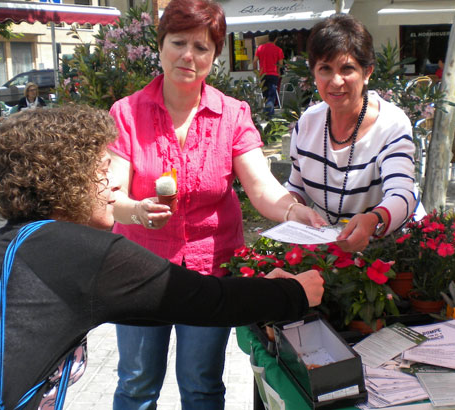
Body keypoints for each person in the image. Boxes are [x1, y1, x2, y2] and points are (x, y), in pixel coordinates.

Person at [0, 105, 324, 409]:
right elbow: (206, 301)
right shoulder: (77, 252)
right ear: (65, 180)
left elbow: (167, 304)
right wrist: (294, 292)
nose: (113, 186)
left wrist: (261, 289)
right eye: (101, 171)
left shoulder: (23, 242)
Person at [106, 0, 325, 408]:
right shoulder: (127, 114)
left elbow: (261, 188)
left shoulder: (232, 114)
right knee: (137, 383)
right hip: (140, 266)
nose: (188, 55)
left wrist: (296, 211)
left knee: (202, 381)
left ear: (215, 57)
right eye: (178, 42)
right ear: (160, 45)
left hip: (210, 271)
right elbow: (112, 194)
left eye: (202, 47)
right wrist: (137, 210)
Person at [286, 14, 417, 253]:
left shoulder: (391, 124)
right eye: (325, 69)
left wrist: (373, 221)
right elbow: (296, 187)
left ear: (367, 72)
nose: (336, 81)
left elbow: (403, 194)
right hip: (324, 251)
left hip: (385, 253)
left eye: (347, 69)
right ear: (314, 73)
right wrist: (292, 209)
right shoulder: (307, 123)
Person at [253, 31, 284, 116]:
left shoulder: (260, 48)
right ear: (276, 39)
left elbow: (255, 61)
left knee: (265, 95)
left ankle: (268, 112)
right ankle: (269, 113)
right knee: (272, 94)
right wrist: (278, 72)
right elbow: (280, 64)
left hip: (263, 74)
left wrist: (256, 71)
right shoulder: (279, 50)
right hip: (273, 75)